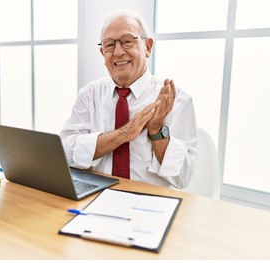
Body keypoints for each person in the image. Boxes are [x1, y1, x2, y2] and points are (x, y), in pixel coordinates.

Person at [60, 10, 197, 189]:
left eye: (127, 41)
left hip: (149, 202)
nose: (117, 52)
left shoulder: (176, 99)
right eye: (109, 45)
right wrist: (123, 134)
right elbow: (65, 152)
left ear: (147, 47)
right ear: (103, 53)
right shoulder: (90, 93)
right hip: (93, 195)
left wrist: (156, 131)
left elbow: (182, 177)